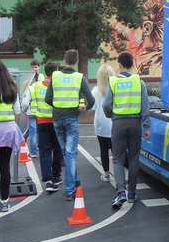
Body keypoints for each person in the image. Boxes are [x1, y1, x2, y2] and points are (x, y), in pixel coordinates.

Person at [46, 49, 95, 201]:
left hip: (57, 119)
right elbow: (91, 100)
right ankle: (70, 190)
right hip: (72, 118)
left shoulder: (55, 76)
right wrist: (82, 109)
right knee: (71, 154)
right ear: (76, 61)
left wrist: (58, 107)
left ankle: (74, 180)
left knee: (66, 153)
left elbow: (48, 99)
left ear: (64, 60)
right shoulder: (79, 78)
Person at [104, 51, 151, 209]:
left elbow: (106, 105)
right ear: (132, 64)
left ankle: (120, 192)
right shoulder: (139, 82)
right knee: (134, 157)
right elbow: (145, 107)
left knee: (117, 159)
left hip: (118, 123)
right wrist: (146, 127)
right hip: (135, 123)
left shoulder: (113, 82)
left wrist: (111, 115)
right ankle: (132, 194)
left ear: (120, 64)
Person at [0, 60, 24, 212]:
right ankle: (5, 201)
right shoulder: (12, 86)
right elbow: (18, 111)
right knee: (5, 165)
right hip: (9, 128)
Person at [34, 63, 63, 193]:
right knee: (57, 148)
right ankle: (56, 175)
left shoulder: (36, 86)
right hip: (55, 121)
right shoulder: (57, 86)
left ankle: (48, 179)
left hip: (41, 121)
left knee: (44, 151)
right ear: (55, 72)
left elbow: (30, 102)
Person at [92, 64, 114, 182]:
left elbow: (93, 107)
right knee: (117, 152)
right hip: (115, 124)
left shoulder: (96, 90)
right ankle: (119, 173)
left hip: (100, 125)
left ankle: (106, 174)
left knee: (103, 150)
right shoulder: (116, 88)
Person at [21, 60, 43, 158]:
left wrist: (24, 108)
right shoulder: (28, 80)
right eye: (33, 67)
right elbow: (25, 93)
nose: (34, 69)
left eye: (36, 67)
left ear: (39, 67)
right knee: (34, 130)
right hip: (34, 109)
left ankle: (34, 150)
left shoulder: (41, 78)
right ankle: (33, 149)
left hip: (38, 109)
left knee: (35, 130)